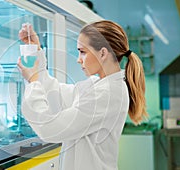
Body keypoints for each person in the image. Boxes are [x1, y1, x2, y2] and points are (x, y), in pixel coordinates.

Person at [17, 20, 148, 170]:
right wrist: (35, 50)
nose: (78, 59)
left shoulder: (107, 93)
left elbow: (50, 129)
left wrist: (33, 81)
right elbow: (55, 94)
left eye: (82, 52)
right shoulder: (97, 85)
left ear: (103, 53)